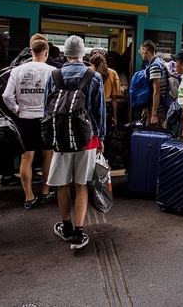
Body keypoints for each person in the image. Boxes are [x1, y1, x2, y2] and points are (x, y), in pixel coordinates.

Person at [45, 35, 105, 250]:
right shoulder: (94, 76)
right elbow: (99, 112)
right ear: (83, 54)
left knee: (62, 184)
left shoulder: (54, 75)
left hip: (61, 138)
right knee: (81, 185)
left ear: (65, 54)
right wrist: (101, 138)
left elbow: (47, 109)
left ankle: (66, 226)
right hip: (87, 139)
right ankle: (80, 233)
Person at [2, 38, 56, 209]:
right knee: (48, 155)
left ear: (31, 52)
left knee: (26, 158)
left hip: (25, 118)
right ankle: (46, 190)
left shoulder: (17, 70)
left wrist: (17, 110)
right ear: (46, 53)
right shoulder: (53, 71)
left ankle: (29, 196)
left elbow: (6, 96)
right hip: (46, 118)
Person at [139, 40, 168, 127]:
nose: (140, 53)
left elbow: (157, 91)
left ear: (145, 50)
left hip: (158, 110)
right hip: (154, 108)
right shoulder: (158, 63)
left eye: (141, 50)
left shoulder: (155, 66)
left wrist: (154, 114)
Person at [90, 52, 122, 128]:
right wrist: (114, 117)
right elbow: (114, 97)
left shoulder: (87, 71)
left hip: (90, 105)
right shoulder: (113, 73)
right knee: (105, 135)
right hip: (106, 107)